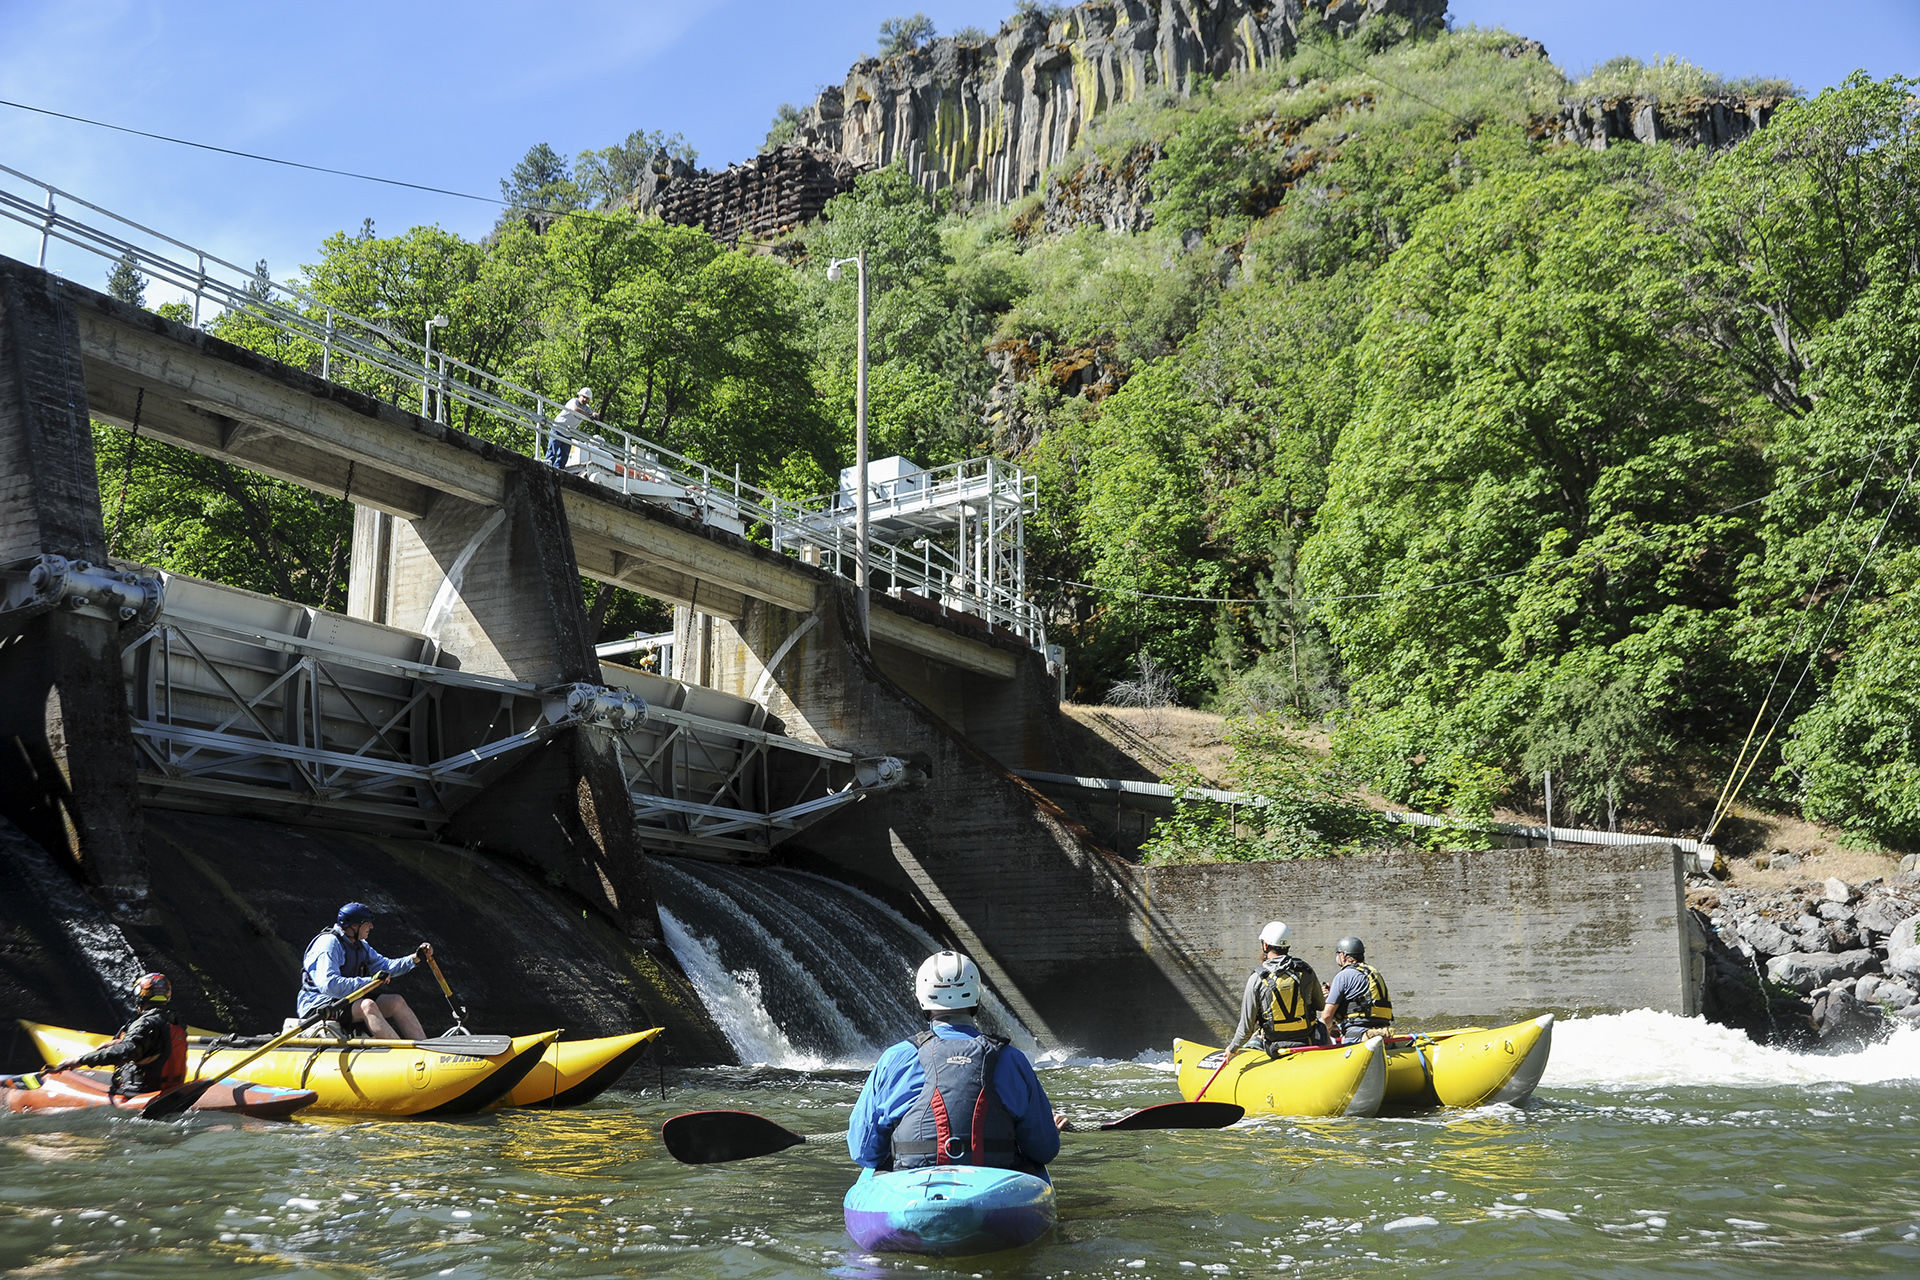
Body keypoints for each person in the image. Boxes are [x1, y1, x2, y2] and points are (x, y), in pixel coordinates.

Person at [847, 951, 1063, 1179]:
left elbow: (863, 1151)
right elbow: (1043, 1149)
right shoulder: (1012, 1059)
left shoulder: (895, 1058)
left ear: (923, 998)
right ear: (976, 998)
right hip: (996, 1186)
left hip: (912, 1191)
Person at [297, 902, 432, 1040]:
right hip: (319, 1006)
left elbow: (385, 966)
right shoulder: (329, 945)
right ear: (354, 926)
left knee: (396, 1001)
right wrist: (370, 981)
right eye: (367, 923)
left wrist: (415, 958)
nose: (371, 927)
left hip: (344, 1000)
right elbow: (329, 986)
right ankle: (401, 1054)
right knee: (368, 1006)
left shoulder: (360, 945)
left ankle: (425, 1048)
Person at [48, 972, 187, 1096]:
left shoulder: (145, 1023)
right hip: (171, 1088)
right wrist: (120, 1042)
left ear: (140, 996)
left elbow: (125, 1052)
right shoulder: (175, 1021)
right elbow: (155, 1046)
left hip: (139, 1091)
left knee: (61, 1076)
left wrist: (79, 1061)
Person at [1226, 921, 1326, 1053]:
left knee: (1254, 1038)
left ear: (1265, 945)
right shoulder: (1306, 971)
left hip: (1273, 1047)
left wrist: (1231, 1049)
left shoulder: (1256, 978)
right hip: (1306, 1041)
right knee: (1321, 1027)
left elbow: (1246, 1029)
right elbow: (1321, 1006)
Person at [1319, 935, 1395, 1044]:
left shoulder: (1343, 976)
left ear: (1343, 956)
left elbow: (1326, 1016)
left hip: (1357, 1031)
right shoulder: (1373, 972)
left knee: (1322, 1029)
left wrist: (1327, 1030)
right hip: (1383, 1026)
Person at [545, 386, 595, 468]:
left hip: (568, 433)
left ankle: (558, 471)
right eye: (584, 397)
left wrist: (595, 415)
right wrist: (588, 415)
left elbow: (593, 416)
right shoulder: (573, 401)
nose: (585, 400)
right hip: (558, 428)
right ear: (579, 396)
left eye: (588, 398)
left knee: (564, 456)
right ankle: (546, 467)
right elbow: (575, 409)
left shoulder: (587, 408)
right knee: (552, 451)